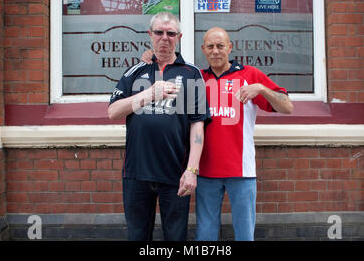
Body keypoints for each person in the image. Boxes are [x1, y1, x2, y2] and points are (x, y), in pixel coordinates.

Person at [141, 27, 293, 241]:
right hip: (205, 173)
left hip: (241, 172)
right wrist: (152, 58)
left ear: (230, 47)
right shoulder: (197, 78)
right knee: (205, 236)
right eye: (210, 46)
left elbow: (287, 107)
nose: (215, 51)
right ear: (203, 49)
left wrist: (261, 88)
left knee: (244, 234)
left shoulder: (249, 75)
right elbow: (167, 83)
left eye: (220, 46)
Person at [108, 12, 210, 241]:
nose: (165, 38)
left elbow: (197, 126)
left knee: (175, 237)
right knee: (137, 236)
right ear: (150, 35)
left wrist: (192, 170)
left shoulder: (191, 74)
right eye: (159, 33)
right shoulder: (135, 72)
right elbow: (113, 111)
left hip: (175, 175)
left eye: (170, 33)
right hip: (136, 174)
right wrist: (148, 94)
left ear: (179, 37)